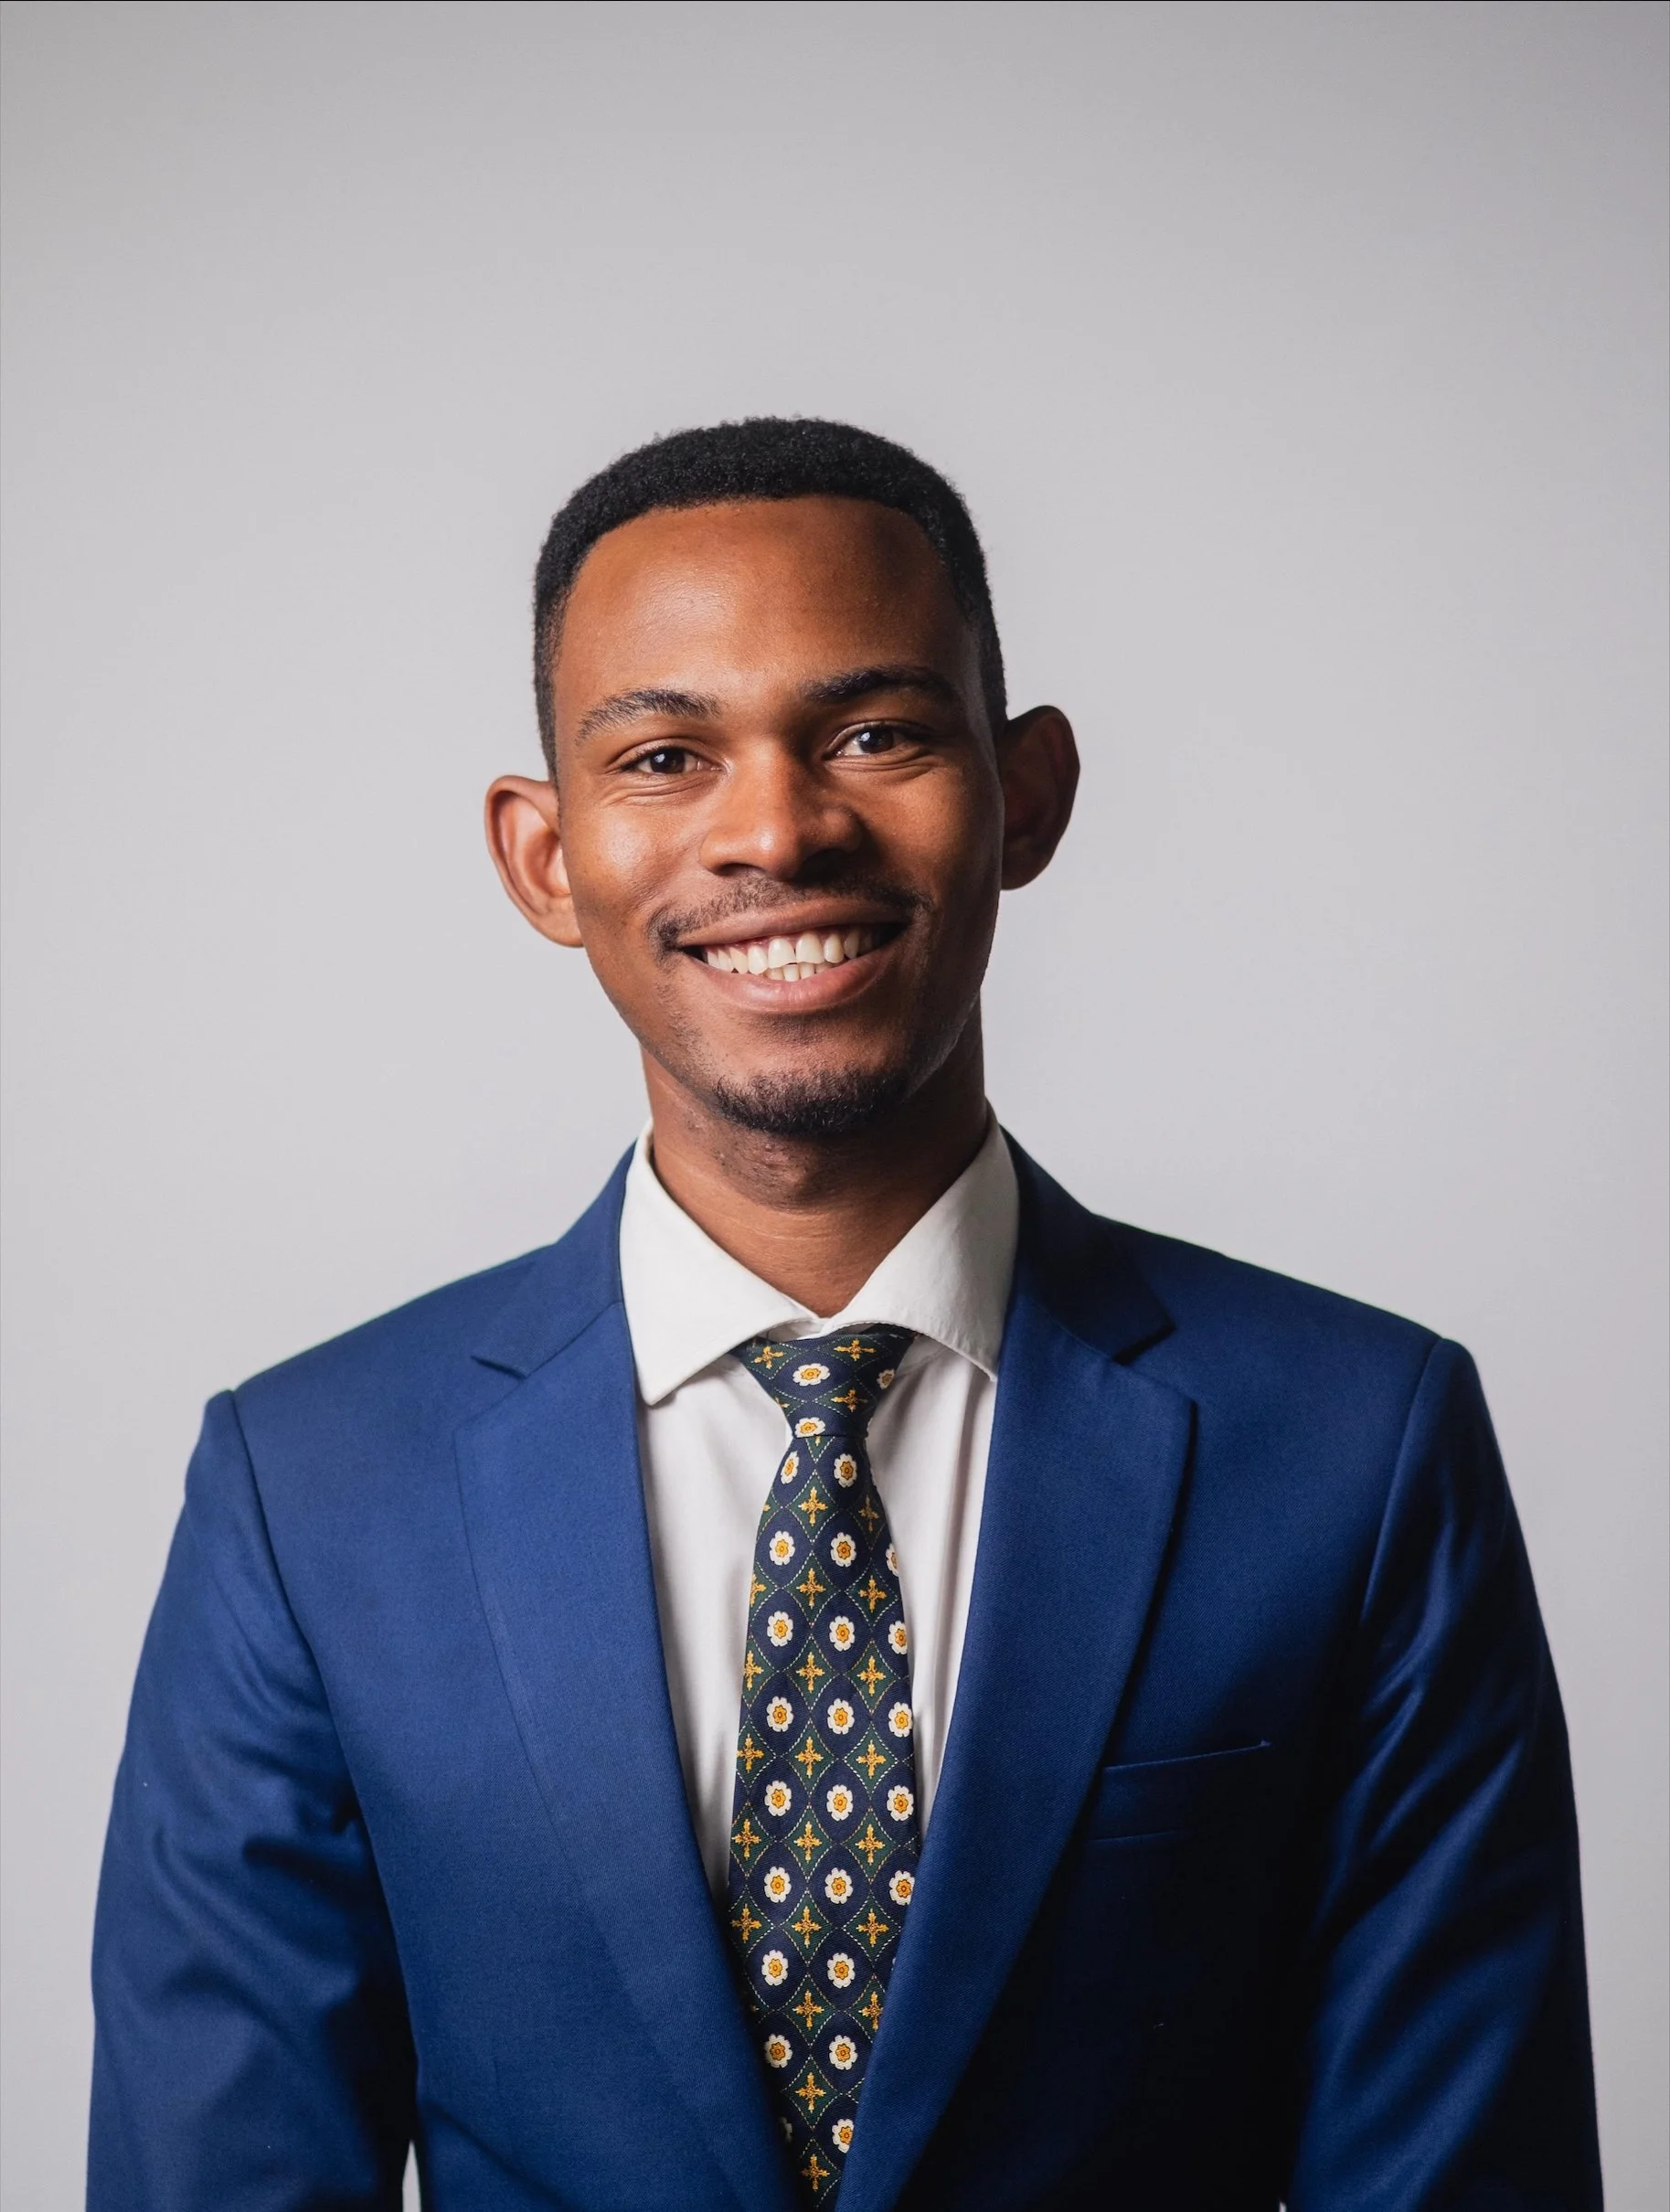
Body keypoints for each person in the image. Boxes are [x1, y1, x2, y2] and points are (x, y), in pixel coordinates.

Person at [89, 419, 1601, 2211]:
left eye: (875, 733)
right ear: (545, 855)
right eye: (663, 754)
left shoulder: (1354, 1444)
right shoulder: (311, 1483)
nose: (780, 827)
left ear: (1023, 791)